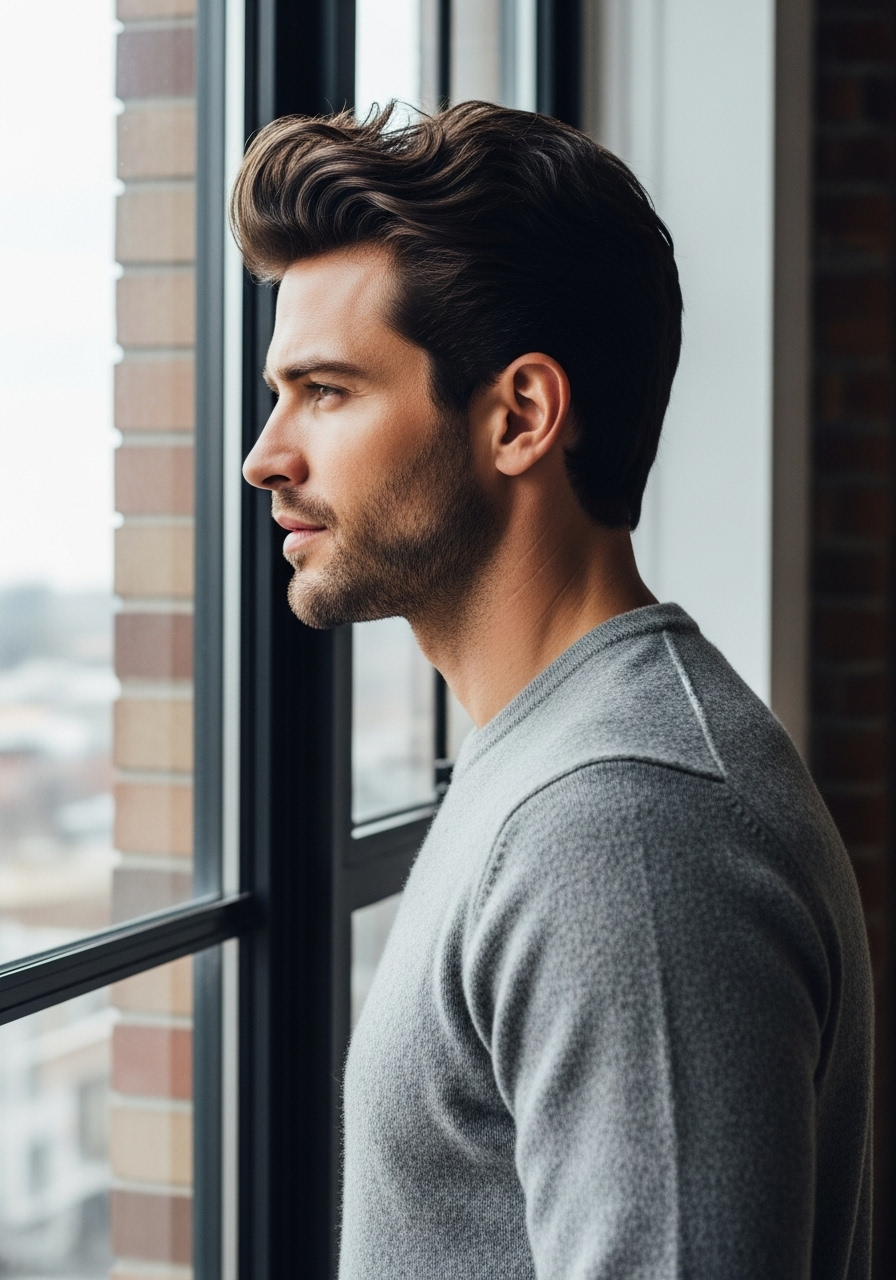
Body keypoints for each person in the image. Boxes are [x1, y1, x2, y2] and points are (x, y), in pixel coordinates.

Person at [234, 102, 872, 1279]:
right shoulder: (556, 758)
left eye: (325, 390)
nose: (264, 455)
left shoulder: (621, 828)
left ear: (519, 415)